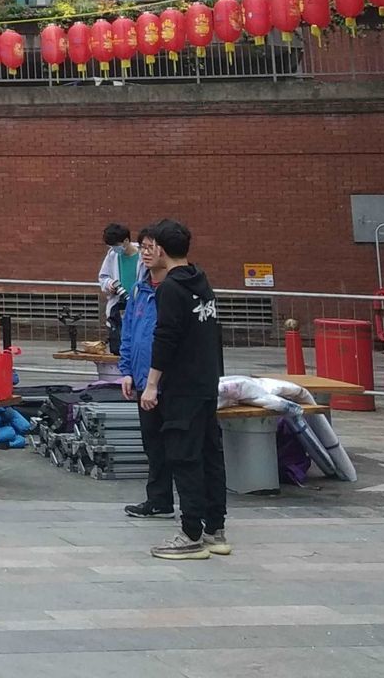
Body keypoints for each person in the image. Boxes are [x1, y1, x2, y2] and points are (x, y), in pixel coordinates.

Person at [139, 218, 229, 560]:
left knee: (184, 456)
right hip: (206, 382)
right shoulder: (201, 282)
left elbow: (165, 338)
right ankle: (215, 529)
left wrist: (151, 385)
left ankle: (191, 533)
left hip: (183, 388)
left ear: (161, 249)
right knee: (211, 455)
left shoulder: (171, 289)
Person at [118, 227, 174, 521]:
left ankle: (195, 505)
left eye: (152, 247)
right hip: (142, 379)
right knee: (152, 443)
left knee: (179, 445)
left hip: (171, 383)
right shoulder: (140, 290)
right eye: (144, 248)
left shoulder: (173, 291)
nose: (146, 253)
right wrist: (126, 370)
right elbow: (129, 332)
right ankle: (159, 499)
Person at [97, 223, 138, 355]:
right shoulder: (112, 255)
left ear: (126, 240)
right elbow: (103, 277)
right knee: (118, 344)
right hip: (119, 307)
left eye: (116, 245)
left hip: (138, 305)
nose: (114, 249)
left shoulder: (143, 256)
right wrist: (109, 284)